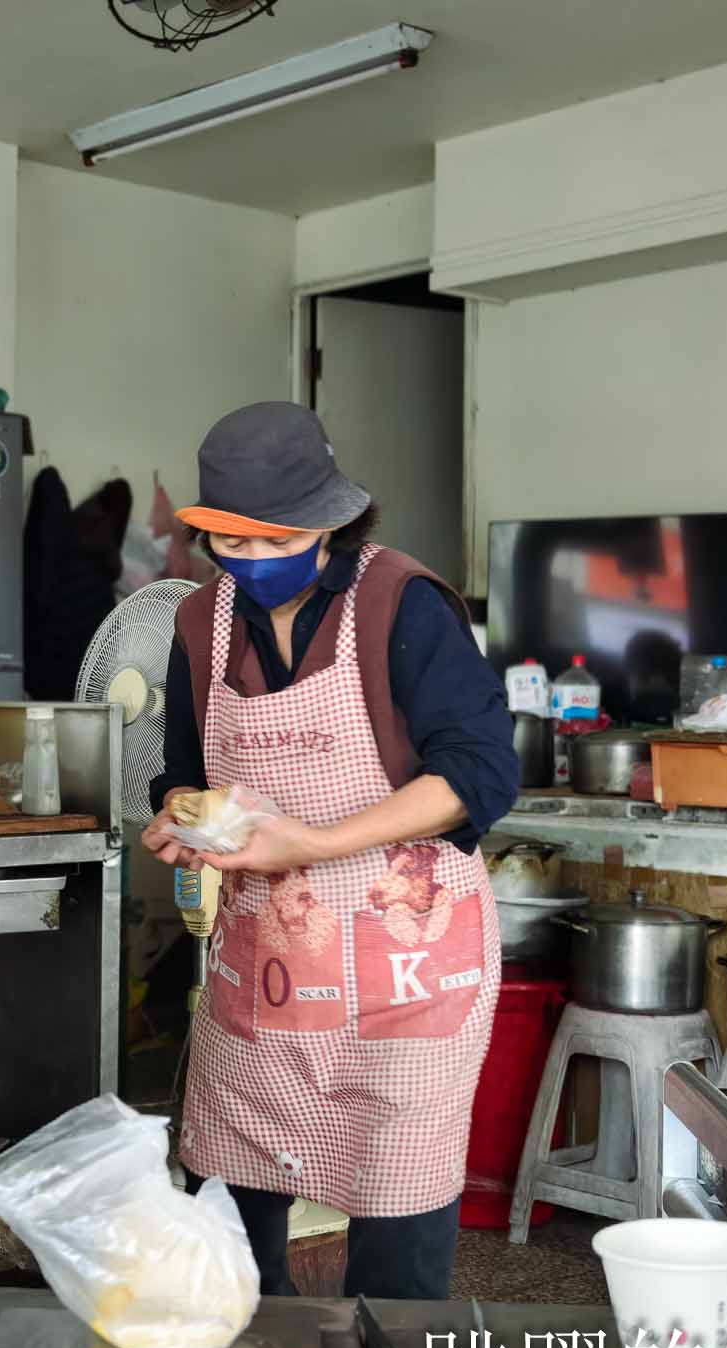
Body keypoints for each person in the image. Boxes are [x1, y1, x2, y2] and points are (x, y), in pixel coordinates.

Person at [140, 401, 518, 1301]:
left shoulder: (402, 603)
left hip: (406, 973)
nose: (253, 566)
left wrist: (312, 842)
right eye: (234, 546)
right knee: (233, 1228)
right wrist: (180, 819)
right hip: (266, 969)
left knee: (394, 1253)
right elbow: (182, 768)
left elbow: (481, 773)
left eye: (277, 545)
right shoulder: (199, 624)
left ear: (332, 522)